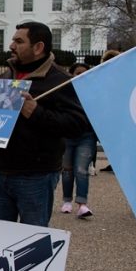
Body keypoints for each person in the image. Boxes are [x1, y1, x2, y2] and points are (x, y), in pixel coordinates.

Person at [0, 22, 89, 227]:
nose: (11, 45)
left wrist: (36, 113)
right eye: (13, 40)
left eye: (19, 41)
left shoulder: (60, 81)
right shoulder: (7, 76)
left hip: (36, 176)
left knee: (32, 242)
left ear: (38, 47)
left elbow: (77, 125)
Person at [60, 63, 95, 219]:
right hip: (67, 136)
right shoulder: (65, 92)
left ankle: (82, 204)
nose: (81, 75)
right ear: (71, 74)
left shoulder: (94, 93)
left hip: (86, 136)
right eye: (78, 73)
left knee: (81, 170)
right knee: (67, 171)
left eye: (84, 73)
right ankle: (67, 200)